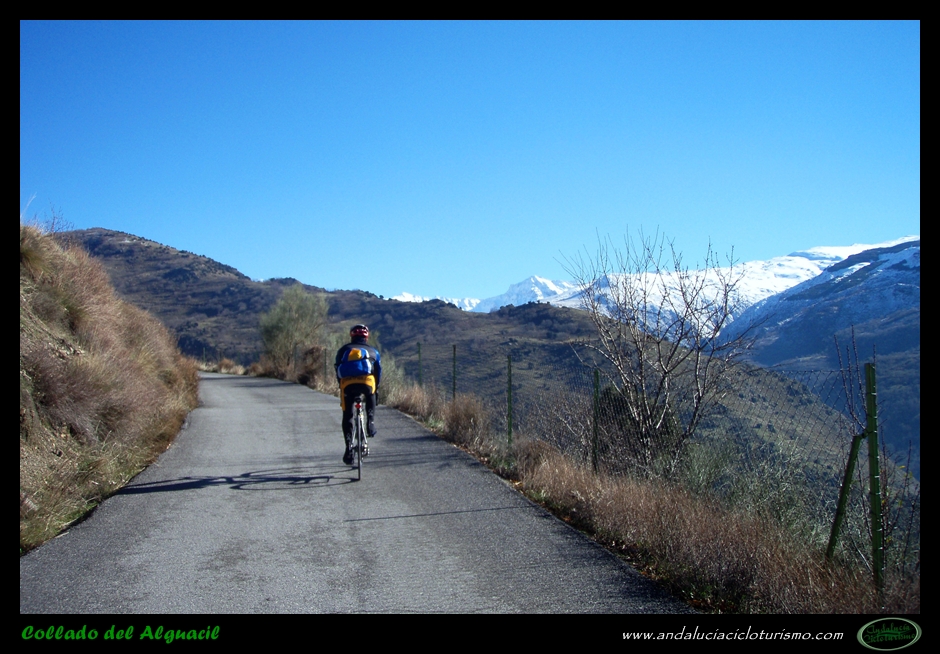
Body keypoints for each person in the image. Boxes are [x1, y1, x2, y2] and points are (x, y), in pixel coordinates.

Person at [335, 324, 382, 465]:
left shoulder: (343, 350)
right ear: (366, 338)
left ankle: (348, 448)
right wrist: (376, 388)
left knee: (348, 415)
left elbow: (337, 368)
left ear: (352, 336)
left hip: (347, 385)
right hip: (366, 383)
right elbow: (378, 372)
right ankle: (370, 423)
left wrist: (341, 385)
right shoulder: (373, 351)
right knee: (371, 393)